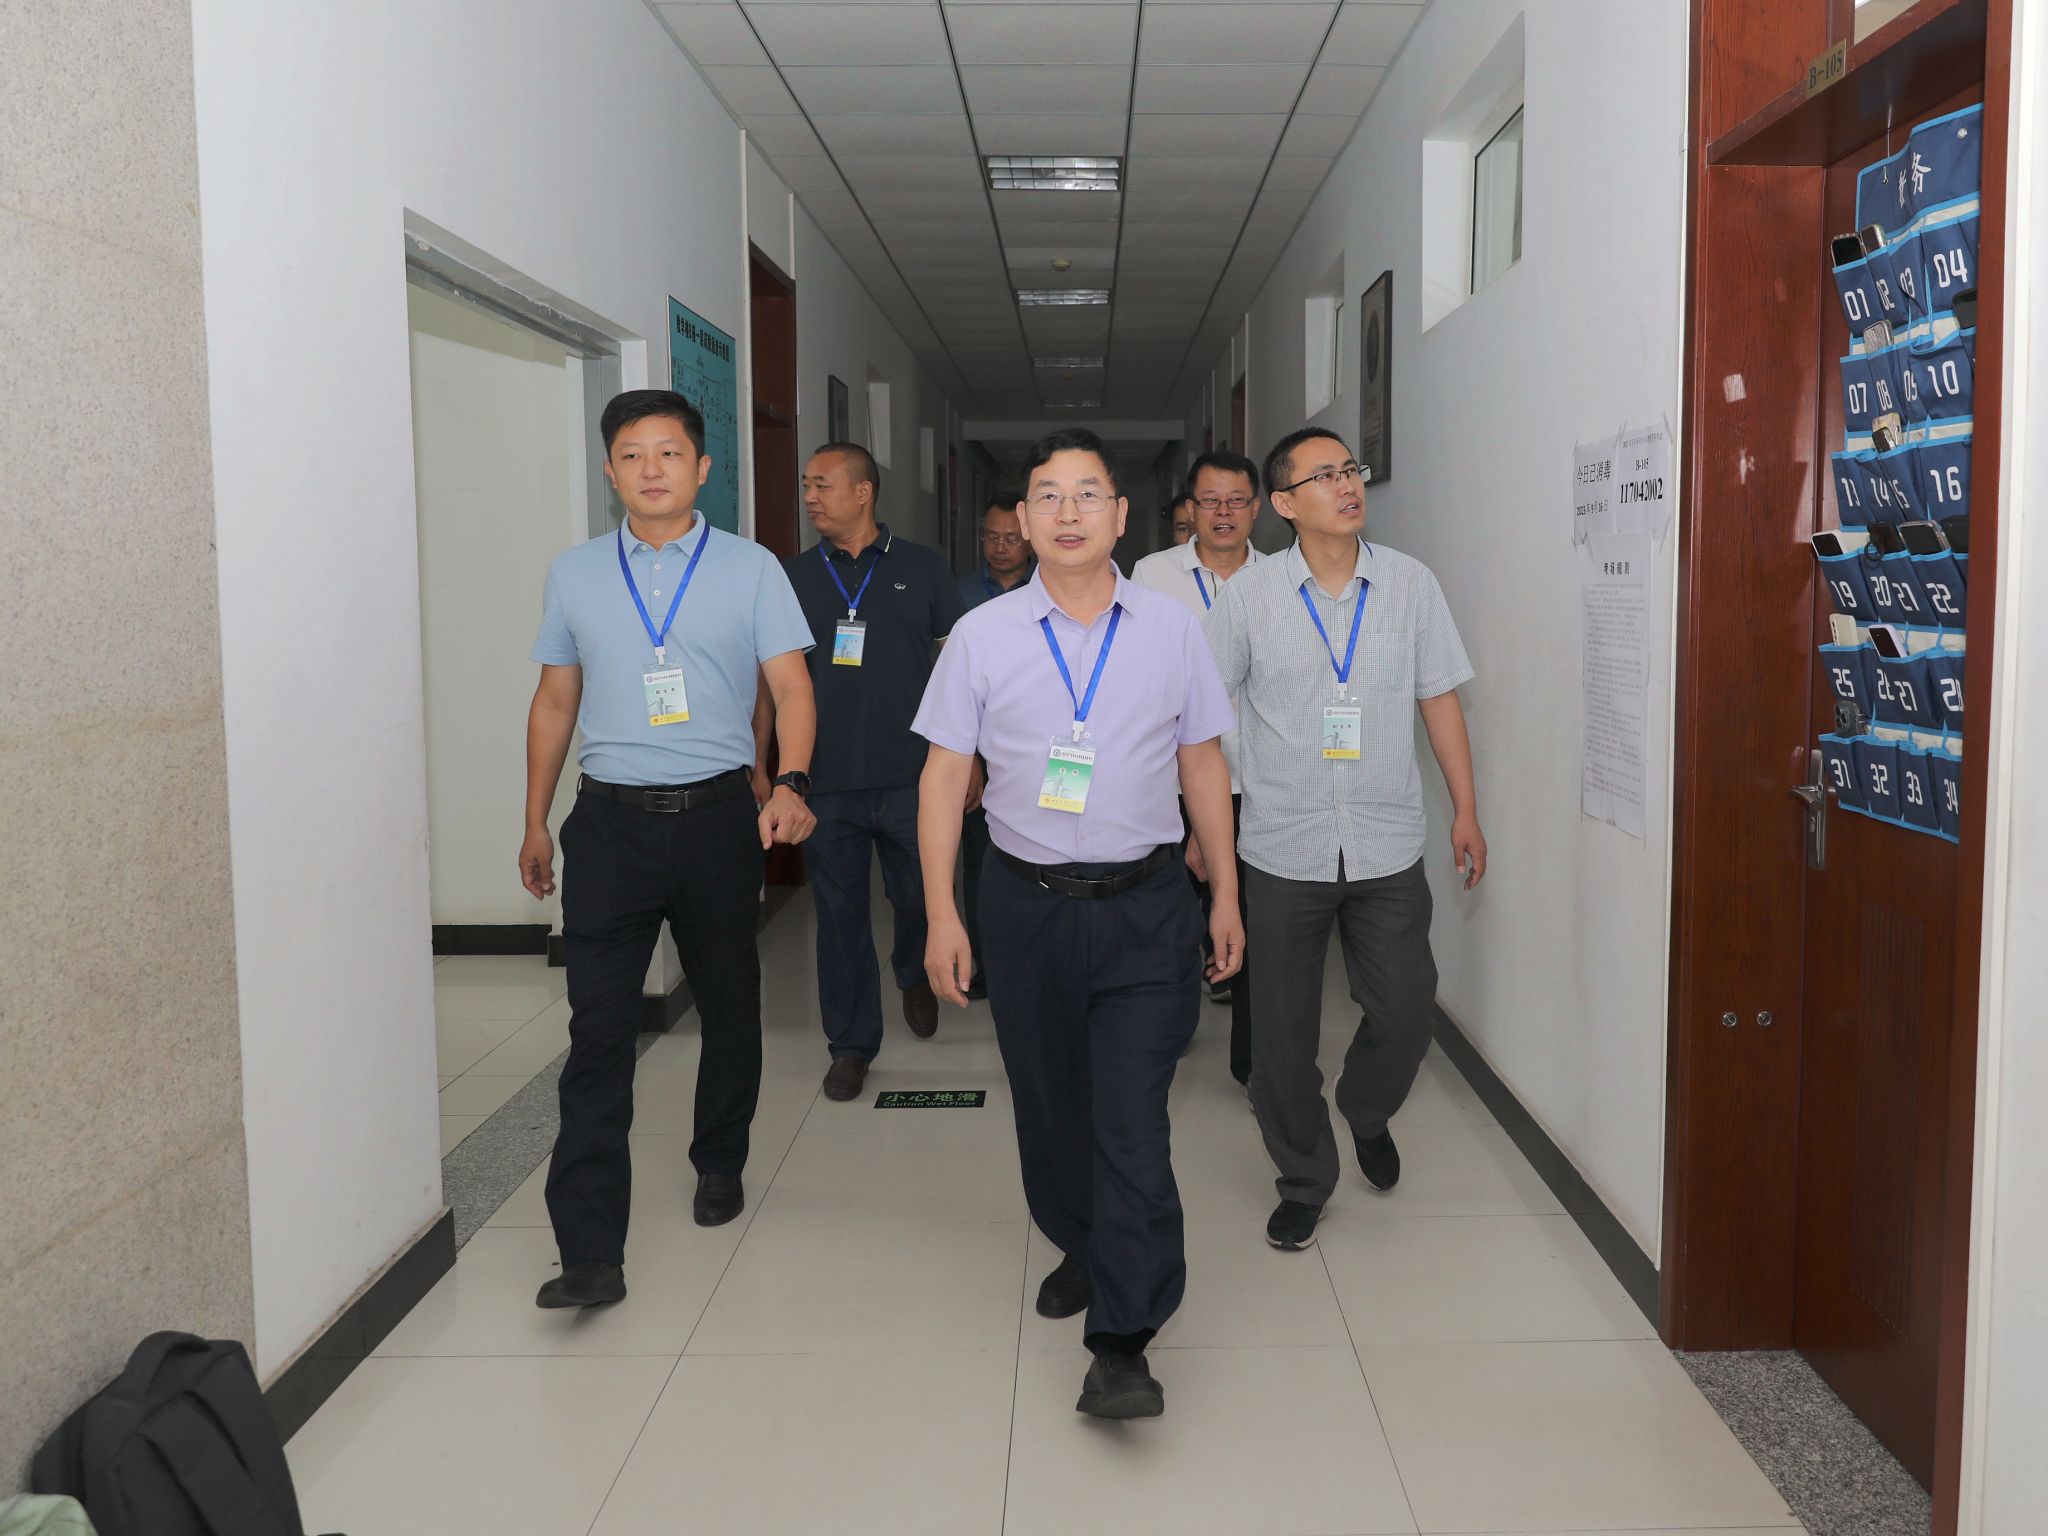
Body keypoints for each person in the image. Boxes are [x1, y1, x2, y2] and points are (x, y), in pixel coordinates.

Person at [914, 427, 1242, 1421]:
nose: (1067, 513)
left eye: (1087, 493)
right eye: (1047, 496)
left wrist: (1225, 892)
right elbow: (943, 779)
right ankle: (1084, 1242)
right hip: (1024, 907)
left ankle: (1123, 1341)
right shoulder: (981, 636)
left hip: (1145, 905)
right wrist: (941, 913)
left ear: (1121, 515)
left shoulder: (1172, 629)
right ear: (1021, 518)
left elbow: (1202, 764)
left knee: (1130, 1123)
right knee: (1051, 1110)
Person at [520, 389, 817, 1310]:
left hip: (718, 820)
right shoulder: (575, 573)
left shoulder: (752, 568)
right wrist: (533, 818)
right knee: (598, 1032)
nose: (651, 469)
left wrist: (791, 782)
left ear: (702, 467)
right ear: (610, 471)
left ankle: (719, 1157)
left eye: (670, 452)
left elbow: (792, 688)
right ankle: (588, 1250)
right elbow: (555, 701)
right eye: (632, 455)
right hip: (608, 825)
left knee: (729, 1003)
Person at [1202, 427, 1486, 1254]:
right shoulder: (1247, 600)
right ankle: (1304, 1179)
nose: (1348, 484)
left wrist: (1466, 808)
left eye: (1350, 469)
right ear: (1284, 504)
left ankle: (1365, 1108)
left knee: (1405, 1008)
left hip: (1386, 838)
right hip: (1281, 845)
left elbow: (1439, 699)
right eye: (1323, 475)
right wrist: (1206, 835)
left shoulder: (1410, 585)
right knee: (1281, 1040)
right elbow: (1204, 720)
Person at [775, 442, 961, 1102]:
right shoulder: (791, 578)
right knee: (840, 917)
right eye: (806, 484)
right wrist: (771, 770)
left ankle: (911, 968)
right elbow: (773, 682)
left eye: (821, 484)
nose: (809, 497)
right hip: (826, 781)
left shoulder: (923, 568)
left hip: (914, 776)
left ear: (863, 492)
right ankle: (851, 1045)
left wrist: (970, 759)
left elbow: (957, 671)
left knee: (918, 897)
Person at [1131, 450, 1266, 1086]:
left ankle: (1252, 1065)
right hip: (1171, 780)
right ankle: (1169, 1028)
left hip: (1256, 785)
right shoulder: (1151, 575)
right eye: (1209, 500)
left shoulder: (1281, 578)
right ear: (1191, 508)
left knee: (1253, 926)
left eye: (1236, 500)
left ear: (1258, 508)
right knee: (1170, 925)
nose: (1223, 512)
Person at [954, 496, 1032, 998]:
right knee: (980, 862)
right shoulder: (958, 594)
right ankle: (983, 964)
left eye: (1011, 538)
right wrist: (969, 759)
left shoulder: (1049, 590)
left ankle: (1028, 964)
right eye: (991, 537)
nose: (1000, 547)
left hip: (1034, 751)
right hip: (974, 750)